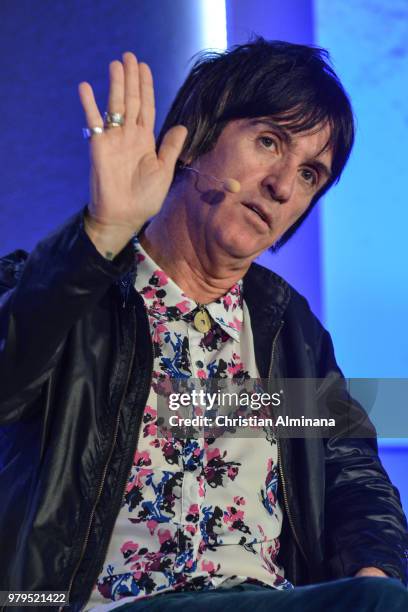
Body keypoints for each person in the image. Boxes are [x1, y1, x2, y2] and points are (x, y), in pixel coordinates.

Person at [0, 39, 407, 612]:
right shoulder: (66, 290)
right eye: (270, 142)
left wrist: (372, 579)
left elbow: (352, 476)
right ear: (194, 137)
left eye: (310, 174)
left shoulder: (289, 331)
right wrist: (98, 237)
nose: (284, 186)